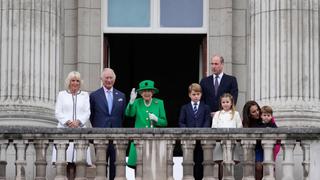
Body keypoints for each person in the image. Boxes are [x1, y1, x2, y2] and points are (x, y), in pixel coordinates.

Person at [52, 71, 92, 180]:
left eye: (77, 81)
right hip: (64, 130)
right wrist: (68, 122)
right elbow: (57, 112)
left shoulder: (85, 95)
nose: (75, 83)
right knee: (64, 161)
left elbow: (87, 112)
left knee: (78, 162)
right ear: (69, 82)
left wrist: (78, 121)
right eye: (73, 80)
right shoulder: (62, 94)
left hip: (80, 130)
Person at [90, 68, 126, 180]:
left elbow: (123, 116)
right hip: (100, 135)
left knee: (116, 165)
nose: (109, 80)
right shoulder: (94, 95)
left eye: (111, 78)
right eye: (106, 78)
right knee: (101, 165)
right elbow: (91, 115)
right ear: (102, 79)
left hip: (116, 136)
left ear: (114, 79)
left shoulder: (121, 95)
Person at [125, 80, 167, 168]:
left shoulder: (159, 103)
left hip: (154, 141)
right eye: (144, 91)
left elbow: (164, 122)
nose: (147, 93)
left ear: (152, 92)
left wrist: (156, 119)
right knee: (138, 169)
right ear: (140, 93)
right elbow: (129, 114)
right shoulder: (137, 102)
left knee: (153, 169)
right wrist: (131, 102)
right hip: (139, 141)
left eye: (149, 91)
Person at [178, 83, 211, 180]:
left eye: (198, 94)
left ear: (201, 94)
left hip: (202, 141)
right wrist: (189, 132)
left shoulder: (206, 107)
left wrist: (201, 132)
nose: (196, 96)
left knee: (200, 163)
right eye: (194, 94)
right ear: (189, 95)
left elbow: (207, 121)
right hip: (189, 140)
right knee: (188, 162)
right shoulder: (185, 107)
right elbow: (181, 122)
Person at [242, 101, 277, 180]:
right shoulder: (247, 123)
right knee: (258, 168)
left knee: (269, 168)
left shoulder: (265, 116)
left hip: (268, 145)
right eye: (254, 112)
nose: (257, 112)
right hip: (257, 147)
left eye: (257, 110)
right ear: (249, 114)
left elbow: (275, 129)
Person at [211, 93, 242, 180]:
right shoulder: (217, 114)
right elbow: (214, 127)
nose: (225, 104)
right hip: (219, 142)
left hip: (232, 142)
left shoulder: (235, 114)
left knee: (230, 163)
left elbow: (239, 128)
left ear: (231, 103)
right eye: (223, 102)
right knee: (220, 163)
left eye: (227, 102)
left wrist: (237, 140)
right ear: (221, 103)